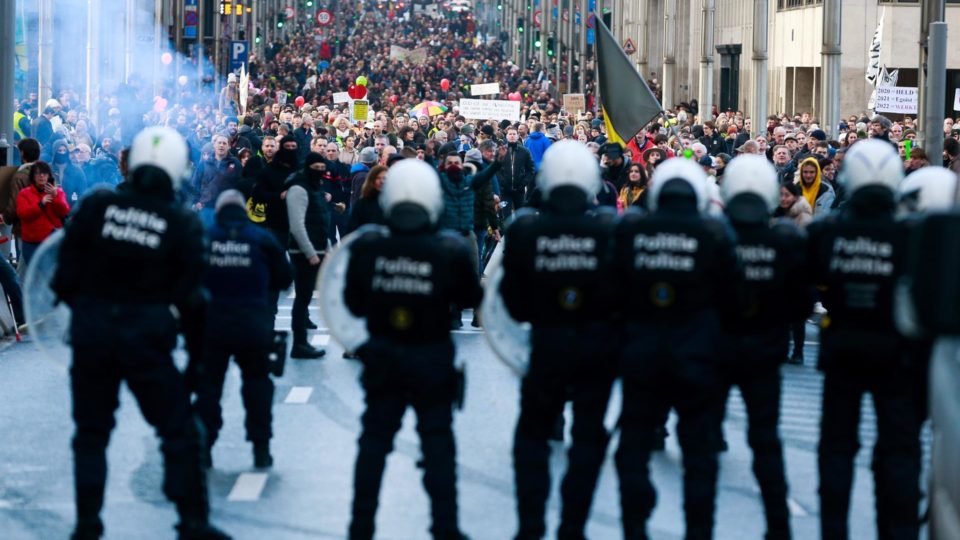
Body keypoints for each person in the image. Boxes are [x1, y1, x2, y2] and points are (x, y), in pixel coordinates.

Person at [50, 126, 230, 540]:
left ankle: (87, 525)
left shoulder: (97, 205)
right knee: (177, 429)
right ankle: (193, 523)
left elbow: (61, 275)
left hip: (92, 334)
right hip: (146, 337)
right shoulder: (180, 220)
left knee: (91, 434)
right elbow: (193, 301)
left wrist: (88, 312)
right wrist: (197, 364)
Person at [344, 159, 482, 540]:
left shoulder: (370, 246)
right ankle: (446, 527)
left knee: (373, 444)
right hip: (432, 359)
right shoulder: (448, 248)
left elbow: (352, 304)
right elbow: (472, 298)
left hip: (384, 356)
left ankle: (360, 528)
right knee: (438, 446)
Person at [611, 158, 741, 539]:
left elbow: (612, 291)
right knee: (699, 454)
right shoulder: (714, 234)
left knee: (633, 446)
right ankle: (698, 529)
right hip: (697, 355)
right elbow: (734, 300)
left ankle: (635, 526)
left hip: (641, 354)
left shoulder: (633, 231)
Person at [500, 141, 619, 540]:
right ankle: (573, 528)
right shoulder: (609, 231)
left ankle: (530, 527)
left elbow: (513, 306)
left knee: (532, 435)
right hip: (596, 349)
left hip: (546, 346)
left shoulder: (526, 231)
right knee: (588, 436)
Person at [807, 140, 919, 540]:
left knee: (836, 445)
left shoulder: (827, 230)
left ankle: (833, 530)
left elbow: (809, 286)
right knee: (899, 448)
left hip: (841, 347)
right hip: (895, 350)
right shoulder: (909, 233)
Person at [718, 156, 814, 539]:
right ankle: (779, 526)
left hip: (720, 347)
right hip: (765, 351)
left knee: (705, 439)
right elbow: (803, 302)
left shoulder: (714, 238)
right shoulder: (784, 241)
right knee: (766, 439)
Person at [194, 190, 293, 470]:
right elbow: (285, 278)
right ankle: (261, 447)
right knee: (257, 385)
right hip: (253, 322)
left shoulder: (205, 237)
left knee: (209, 387)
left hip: (213, 324)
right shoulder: (261, 238)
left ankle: (205, 447)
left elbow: (185, 278)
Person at [285, 152, 332, 359]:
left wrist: (327, 247)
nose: (321, 172)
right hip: (302, 251)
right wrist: (311, 252)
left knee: (304, 298)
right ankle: (299, 343)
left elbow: (320, 221)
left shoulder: (314, 188)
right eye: (317, 168)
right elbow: (297, 225)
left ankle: (301, 342)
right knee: (302, 299)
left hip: (317, 248)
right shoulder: (299, 188)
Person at [16, 160, 69, 270]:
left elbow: (64, 211)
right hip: (31, 242)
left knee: (49, 273)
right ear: (33, 176)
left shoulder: (57, 192)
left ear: (49, 176)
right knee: (33, 271)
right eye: (37, 173)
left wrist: (55, 197)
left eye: (44, 173)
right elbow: (23, 213)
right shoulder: (25, 193)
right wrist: (40, 205)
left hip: (51, 241)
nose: (41, 176)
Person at [496, 126, 536, 216]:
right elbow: (496, 169)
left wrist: (523, 183)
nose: (512, 136)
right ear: (506, 136)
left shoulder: (524, 151)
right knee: (505, 215)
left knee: (520, 215)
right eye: (510, 134)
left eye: (514, 134)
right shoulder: (501, 150)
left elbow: (531, 169)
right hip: (505, 190)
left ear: (518, 136)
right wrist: (502, 182)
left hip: (519, 190)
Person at [347, 165, 387, 234]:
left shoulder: (392, 202)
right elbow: (352, 229)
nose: (382, 181)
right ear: (372, 180)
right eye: (378, 178)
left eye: (385, 178)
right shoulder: (363, 203)